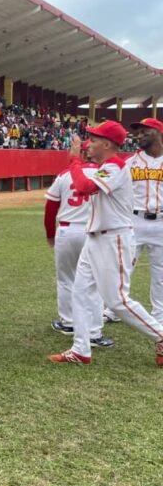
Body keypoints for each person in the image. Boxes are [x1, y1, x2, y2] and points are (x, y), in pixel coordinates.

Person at [49, 122, 163, 366]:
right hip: (95, 237)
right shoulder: (108, 167)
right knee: (80, 292)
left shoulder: (116, 166)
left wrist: (74, 160)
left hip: (114, 238)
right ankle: (81, 349)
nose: (88, 144)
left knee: (117, 300)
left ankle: (160, 335)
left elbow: (84, 187)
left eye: (94, 139)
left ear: (108, 144)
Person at [44, 140, 113, 347]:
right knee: (95, 282)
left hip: (67, 230)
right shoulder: (104, 173)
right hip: (93, 232)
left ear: (80, 154)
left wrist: (50, 234)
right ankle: (94, 331)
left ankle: (68, 322)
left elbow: (50, 208)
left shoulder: (65, 174)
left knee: (66, 279)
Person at [124, 118, 163, 324]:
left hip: (161, 222)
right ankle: (116, 309)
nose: (139, 136)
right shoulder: (130, 162)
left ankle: (159, 316)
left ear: (158, 132)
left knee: (161, 274)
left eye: (144, 131)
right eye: (138, 132)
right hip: (135, 220)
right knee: (123, 267)